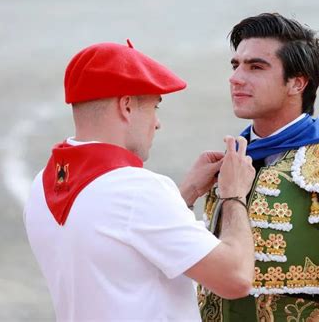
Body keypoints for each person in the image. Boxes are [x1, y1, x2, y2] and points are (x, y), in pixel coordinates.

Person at [23, 40, 256, 321]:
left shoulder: (42, 184)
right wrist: (234, 194)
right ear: (127, 106)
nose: (157, 123)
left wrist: (187, 192)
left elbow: (121, 235)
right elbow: (236, 277)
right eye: (155, 107)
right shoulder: (138, 191)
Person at [198, 13, 319, 321]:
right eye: (235, 65)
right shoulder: (229, 163)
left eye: (255, 67)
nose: (236, 77)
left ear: (297, 82)